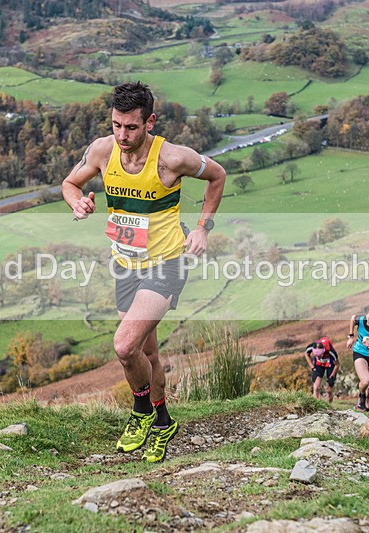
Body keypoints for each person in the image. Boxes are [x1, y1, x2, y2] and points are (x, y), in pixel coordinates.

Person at [62, 82, 226, 463]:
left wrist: (203, 228)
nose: (122, 135)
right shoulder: (102, 151)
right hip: (125, 266)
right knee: (146, 352)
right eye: (116, 125)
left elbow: (217, 175)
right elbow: (70, 184)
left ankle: (141, 411)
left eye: (131, 127)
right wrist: (77, 203)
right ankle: (163, 422)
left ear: (149, 122)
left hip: (166, 263)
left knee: (124, 346)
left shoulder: (172, 158)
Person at [304, 337, 340, 403]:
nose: (318, 357)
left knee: (329, 390)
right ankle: (315, 404)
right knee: (316, 387)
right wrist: (312, 367)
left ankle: (329, 405)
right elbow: (306, 354)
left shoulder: (331, 352)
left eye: (319, 356)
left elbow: (337, 365)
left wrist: (332, 375)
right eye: (316, 356)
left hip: (331, 365)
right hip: (318, 365)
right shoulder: (311, 347)